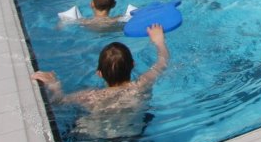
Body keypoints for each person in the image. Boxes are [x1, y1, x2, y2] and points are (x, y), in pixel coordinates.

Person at [30, 23, 169, 114]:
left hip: (95, 136)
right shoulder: (142, 84)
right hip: (134, 136)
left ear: (99, 73)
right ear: (133, 65)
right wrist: (159, 41)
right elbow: (162, 61)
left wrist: (54, 84)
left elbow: (58, 102)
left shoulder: (90, 96)